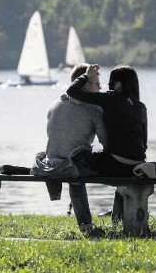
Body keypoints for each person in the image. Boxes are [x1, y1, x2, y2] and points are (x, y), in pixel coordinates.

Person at [66, 64, 148, 220]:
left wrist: (87, 76)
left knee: (78, 159)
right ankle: (117, 219)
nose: (108, 85)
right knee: (122, 176)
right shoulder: (141, 107)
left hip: (115, 165)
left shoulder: (109, 99)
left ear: (119, 83)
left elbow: (72, 92)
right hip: (137, 165)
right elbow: (144, 142)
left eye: (112, 81)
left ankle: (88, 221)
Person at [37, 63, 108, 237]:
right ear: (85, 84)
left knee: (75, 163)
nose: (100, 88)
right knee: (82, 168)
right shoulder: (94, 110)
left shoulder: (54, 104)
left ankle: (86, 225)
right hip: (73, 166)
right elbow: (106, 142)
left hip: (50, 163)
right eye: (97, 84)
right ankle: (87, 226)